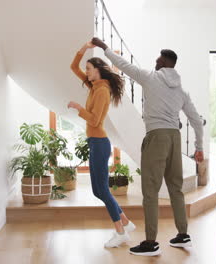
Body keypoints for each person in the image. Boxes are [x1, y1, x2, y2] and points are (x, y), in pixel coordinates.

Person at [91, 37, 204, 256]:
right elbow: (197, 121)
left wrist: (105, 48)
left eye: (158, 59)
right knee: (175, 187)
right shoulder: (181, 91)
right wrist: (199, 147)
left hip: (157, 137)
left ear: (164, 63)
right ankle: (183, 234)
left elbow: (123, 65)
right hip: (175, 138)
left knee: (150, 191)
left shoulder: (150, 77)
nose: (155, 61)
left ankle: (151, 243)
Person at [68, 41, 136, 248]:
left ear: (98, 70)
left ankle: (120, 232)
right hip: (95, 142)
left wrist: (79, 107)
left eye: (89, 69)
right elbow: (73, 68)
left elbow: (95, 120)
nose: (86, 73)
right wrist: (83, 50)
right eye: (87, 69)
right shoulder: (94, 85)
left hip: (99, 143)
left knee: (103, 191)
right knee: (97, 191)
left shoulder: (102, 91)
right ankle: (125, 221)